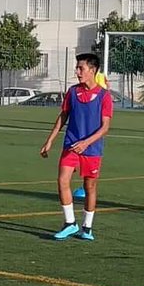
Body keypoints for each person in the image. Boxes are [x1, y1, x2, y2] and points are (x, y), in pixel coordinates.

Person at [40, 53, 113, 241]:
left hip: (92, 149)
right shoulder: (73, 92)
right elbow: (63, 117)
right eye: (77, 68)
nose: (77, 71)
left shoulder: (104, 96)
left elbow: (105, 127)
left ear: (93, 70)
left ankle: (87, 227)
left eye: (81, 68)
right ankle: (70, 223)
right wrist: (50, 140)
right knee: (62, 180)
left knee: (90, 187)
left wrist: (86, 143)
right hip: (71, 145)